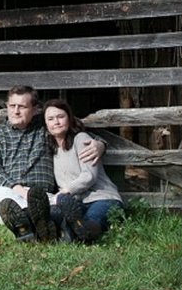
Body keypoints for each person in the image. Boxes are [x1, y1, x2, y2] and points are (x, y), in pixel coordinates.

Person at [0, 86, 104, 242]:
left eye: (22, 107)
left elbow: (78, 132)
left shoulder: (47, 128)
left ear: (35, 109)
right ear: (7, 106)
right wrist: (17, 189)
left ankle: (30, 227)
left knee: (48, 206)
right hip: (2, 189)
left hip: (40, 196)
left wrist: (100, 144)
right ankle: (33, 222)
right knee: (5, 201)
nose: (16, 111)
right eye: (12, 106)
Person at [42, 98, 124, 243]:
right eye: (51, 119)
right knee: (59, 214)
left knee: (92, 219)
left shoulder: (81, 139)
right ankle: (65, 231)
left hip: (101, 197)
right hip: (75, 202)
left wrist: (64, 192)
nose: (56, 122)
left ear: (69, 119)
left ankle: (85, 233)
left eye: (61, 117)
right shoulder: (52, 150)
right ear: (46, 124)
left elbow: (89, 176)